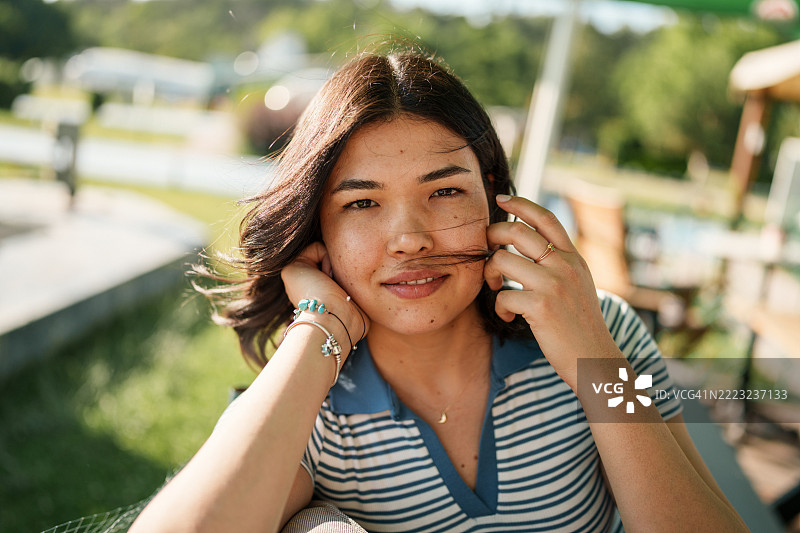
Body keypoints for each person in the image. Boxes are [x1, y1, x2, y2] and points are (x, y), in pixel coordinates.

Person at [130, 50, 747, 533]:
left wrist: (594, 357)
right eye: (362, 202)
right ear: (318, 228)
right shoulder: (311, 400)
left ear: (495, 199)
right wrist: (318, 330)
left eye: (445, 191)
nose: (409, 239)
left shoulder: (602, 329)